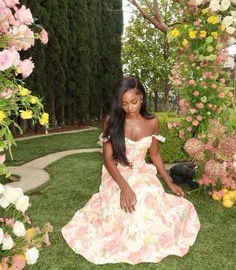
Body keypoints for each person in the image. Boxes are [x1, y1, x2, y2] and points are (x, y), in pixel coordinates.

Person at [61, 77, 200, 265]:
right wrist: (124, 187)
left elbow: (156, 156)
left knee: (147, 197)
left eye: (134, 102)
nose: (130, 108)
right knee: (123, 207)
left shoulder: (152, 122)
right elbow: (108, 159)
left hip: (142, 172)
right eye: (124, 103)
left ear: (141, 97)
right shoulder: (111, 121)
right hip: (117, 174)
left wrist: (170, 183)